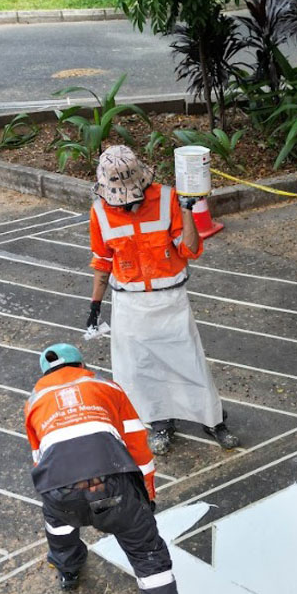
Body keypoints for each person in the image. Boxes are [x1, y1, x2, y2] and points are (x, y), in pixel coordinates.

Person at [25, 342, 207, 594]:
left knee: (60, 529)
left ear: (44, 375)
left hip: (59, 491)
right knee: (150, 562)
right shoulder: (107, 388)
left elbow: (40, 457)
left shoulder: (33, 403)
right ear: (82, 366)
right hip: (113, 485)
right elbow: (137, 445)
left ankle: (68, 572)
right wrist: (147, 496)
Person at [86, 145, 239, 456]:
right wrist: (95, 305)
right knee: (140, 370)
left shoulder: (168, 198)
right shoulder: (99, 212)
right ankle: (159, 423)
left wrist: (187, 209)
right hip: (129, 305)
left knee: (190, 363)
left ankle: (212, 420)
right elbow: (102, 261)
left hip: (170, 300)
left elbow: (191, 249)